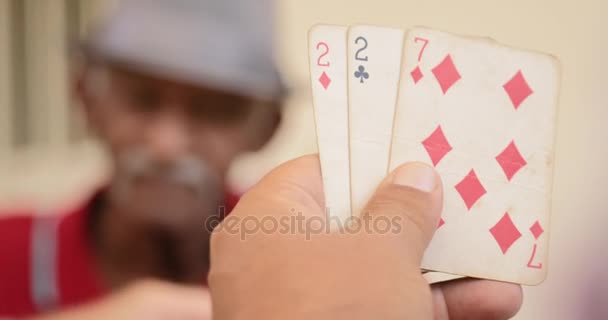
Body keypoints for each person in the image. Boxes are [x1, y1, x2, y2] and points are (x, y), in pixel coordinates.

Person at [0, 0, 522, 319]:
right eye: (141, 100)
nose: (166, 146)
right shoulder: (8, 248)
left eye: (214, 112)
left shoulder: (324, 260)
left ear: (266, 127)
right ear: (85, 101)